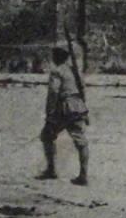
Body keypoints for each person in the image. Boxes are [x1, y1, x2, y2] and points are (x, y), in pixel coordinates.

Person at [37, 45, 89, 186]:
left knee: (47, 135)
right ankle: (83, 175)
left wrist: (50, 113)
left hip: (64, 108)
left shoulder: (57, 71)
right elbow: (82, 89)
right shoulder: (75, 71)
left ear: (56, 57)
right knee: (81, 140)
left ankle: (51, 170)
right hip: (78, 106)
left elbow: (54, 92)